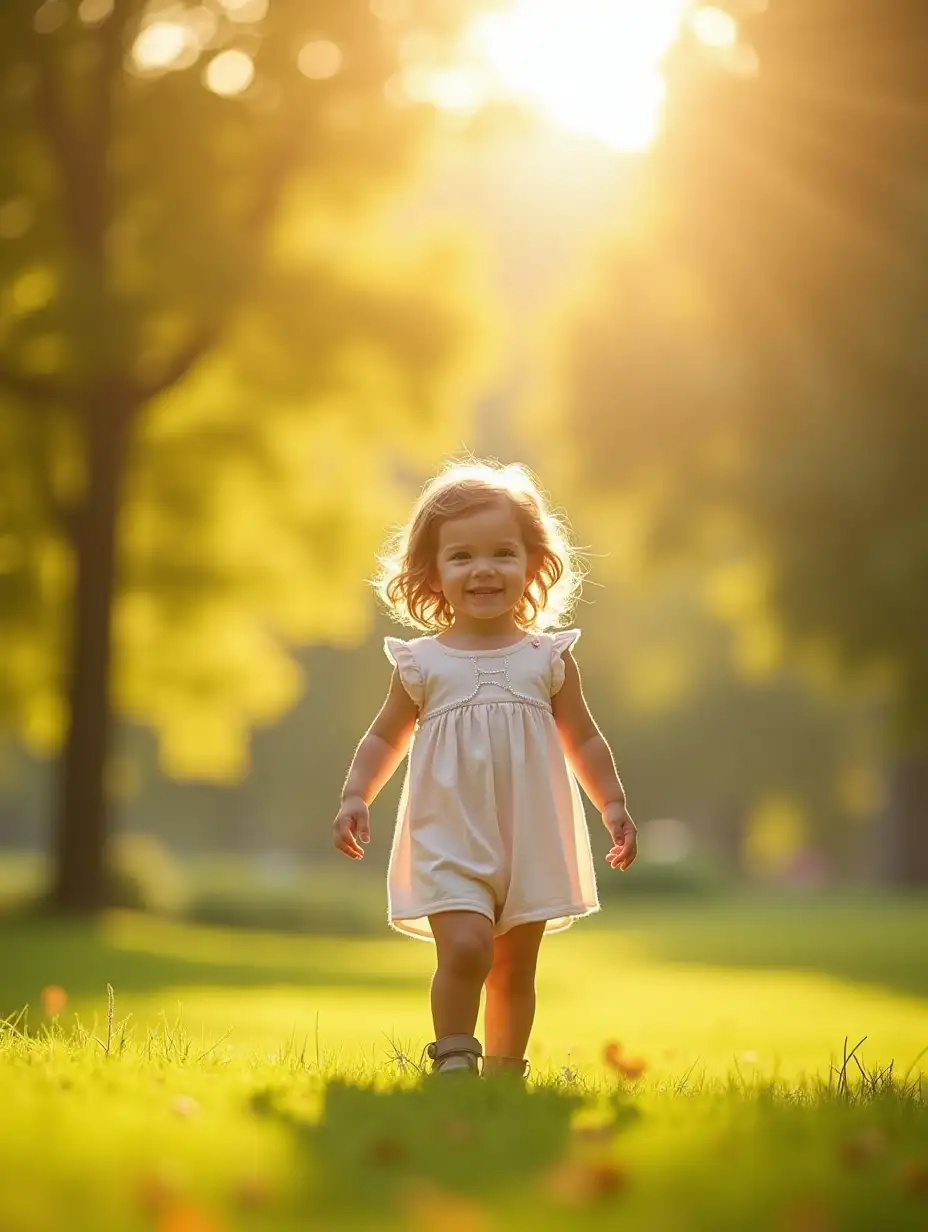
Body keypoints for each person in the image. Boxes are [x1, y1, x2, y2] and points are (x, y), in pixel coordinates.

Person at [333, 460, 637, 1078]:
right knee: (468, 947)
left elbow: (584, 736)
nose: (484, 570)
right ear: (433, 572)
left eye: (502, 552)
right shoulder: (422, 664)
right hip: (449, 833)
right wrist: (355, 795)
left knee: (514, 966)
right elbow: (383, 736)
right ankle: (452, 1059)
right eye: (462, 556)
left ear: (531, 563)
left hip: (530, 834)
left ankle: (504, 1075)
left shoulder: (545, 658)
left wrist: (612, 805)